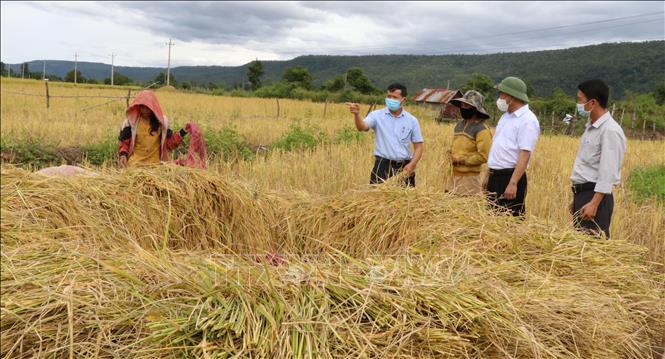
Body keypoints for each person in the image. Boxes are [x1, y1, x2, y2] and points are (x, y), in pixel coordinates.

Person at [570, 79, 626, 239]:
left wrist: (594, 203)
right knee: (580, 250)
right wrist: (577, 200)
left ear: (592, 102)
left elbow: (607, 172)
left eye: (580, 99)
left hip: (595, 198)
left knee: (592, 253)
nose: (578, 104)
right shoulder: (591, 127)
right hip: (584, 196)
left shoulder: (609, 131)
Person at [347, 83, 424, 187]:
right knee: (376, 200)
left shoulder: (412, 120)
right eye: (388, 96)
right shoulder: (376, 115)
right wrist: (357, 114)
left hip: (404, 167)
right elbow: (362, 127)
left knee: (406, 201)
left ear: (403, 100)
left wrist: (412, 164)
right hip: (382, 166)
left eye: (395, 97)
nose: (390, 99)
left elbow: (418, 147)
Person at [486, 76, 540, 217]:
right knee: (491, 223)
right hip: (495, 176)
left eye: (502, 94)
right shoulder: (505, 117)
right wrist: (488, 176)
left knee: (510, 225)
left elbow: (525, 154)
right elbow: (496, 149)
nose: (500, 98)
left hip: (510, 177)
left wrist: (513, 182)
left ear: (512, 96)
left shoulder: (527, 120)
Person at [118, 90, 188, 167]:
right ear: (138, 106)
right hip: (135, 165)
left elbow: (169, 144)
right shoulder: (131, 122)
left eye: (147, 107)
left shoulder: (162, 122)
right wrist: (123, 154)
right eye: (142, 107)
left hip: (155, 166)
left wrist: (182, 132)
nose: (144, 110)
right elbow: (124, 142)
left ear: (152, 107)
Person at [445, 90, 492, 195]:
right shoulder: (459, 125)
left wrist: (461, 159)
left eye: (467, 106)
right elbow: (455, 145)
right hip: (453, 177)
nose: (463, 108)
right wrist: (450, 154)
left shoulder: (482, 129)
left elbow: (484, 156)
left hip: (469, 180)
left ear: (475, 109)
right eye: (462, 105)